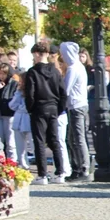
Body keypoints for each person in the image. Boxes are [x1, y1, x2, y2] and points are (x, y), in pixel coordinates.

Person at [25, 41, 67, 185]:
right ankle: (60, 172)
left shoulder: (33, 72)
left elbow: (30, 94)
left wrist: (30, 108)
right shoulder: (55, 71)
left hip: (39, 108)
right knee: (55, 140)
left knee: (39, 142)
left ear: (36, 54)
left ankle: (42, 174)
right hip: (53, 107)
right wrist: (60, 108)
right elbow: (63, 93)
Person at [61, 42, 91, 182]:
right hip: (79, 105)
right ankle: (78, 168)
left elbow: (65, 89)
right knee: (74, 139)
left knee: (77, 139)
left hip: (76, 106)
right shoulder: (78, 66)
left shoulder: (73, 68)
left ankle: (83, 169)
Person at [9, 74, 33, 170]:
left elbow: (13, 105)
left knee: (32, 144)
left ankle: (32, 164)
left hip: (28, 118)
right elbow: (12, 105)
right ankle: (23, 164)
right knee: (20, 145)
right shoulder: (19, 92)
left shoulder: (31, 92)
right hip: (20, 118)